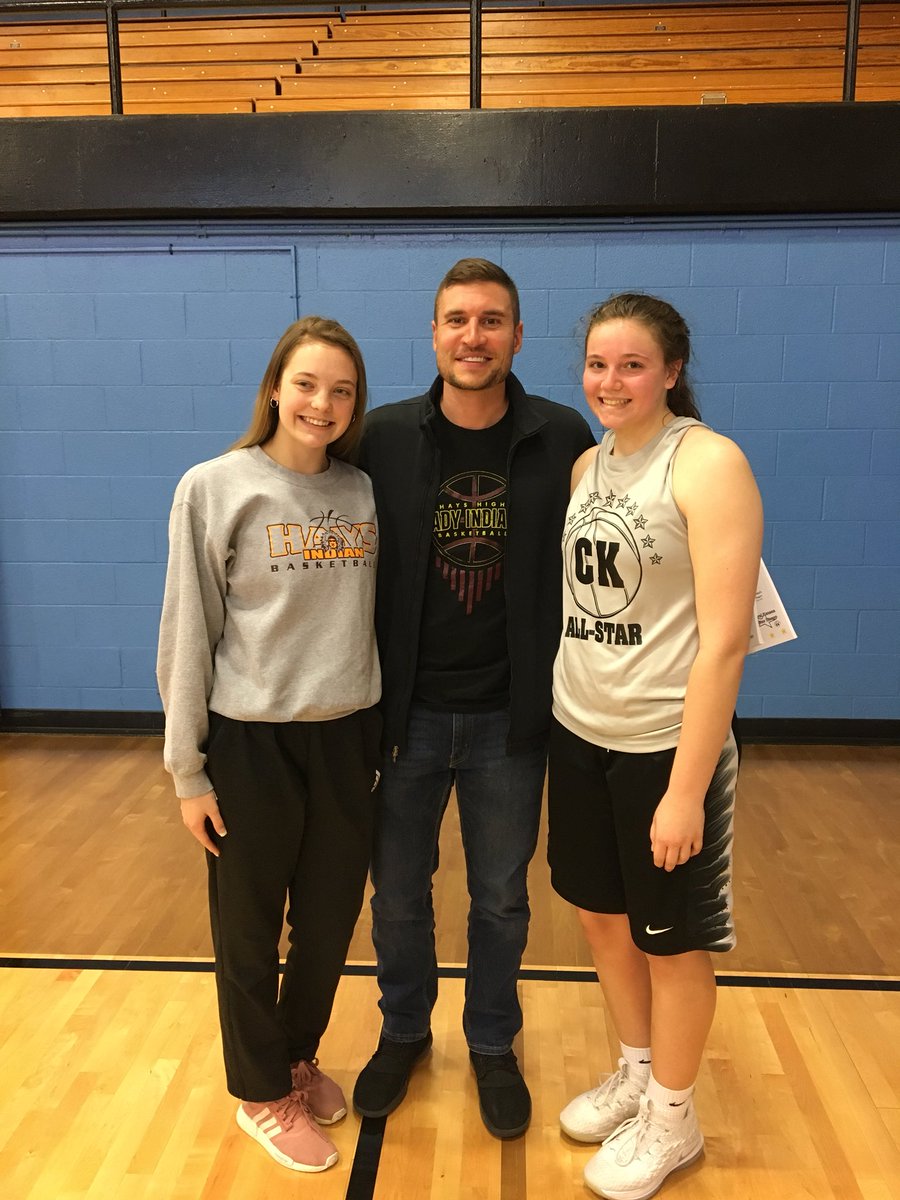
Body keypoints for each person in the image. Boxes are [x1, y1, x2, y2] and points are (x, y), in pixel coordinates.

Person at [353, 258, 594, 1139]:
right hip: (404, 718)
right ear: (433, 334)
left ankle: (493, 1042)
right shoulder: (381, 438)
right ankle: (404, 1032)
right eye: (457, 319)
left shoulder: (564, 436)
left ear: (519, 336)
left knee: (500, 898)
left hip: (510, 721)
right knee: (401, 896)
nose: (473, 336)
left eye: (492, 321)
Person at [549, 293, 763, 1198]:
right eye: (599, 364)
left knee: (671, 944)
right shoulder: (585, 465)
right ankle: (638, 1074)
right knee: (602, 919)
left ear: (672, 370)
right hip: (581, 732)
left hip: (665, 747)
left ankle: (674, 1118)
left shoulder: (708, 464)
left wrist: (684, 790)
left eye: (632, 365)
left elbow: (724, 641)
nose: (611, 381)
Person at [156, 316, 382, 1174]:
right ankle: (259, 1093)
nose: (322, 403)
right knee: (248, 933)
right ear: (274, 388)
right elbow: (186, 635)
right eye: (307, 384)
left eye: (342, 390)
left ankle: (294, 1056)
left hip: (344, 738)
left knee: (325, 927)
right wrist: (188, 771)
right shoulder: (213, 487)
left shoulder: (361, 493)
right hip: (248, 744)